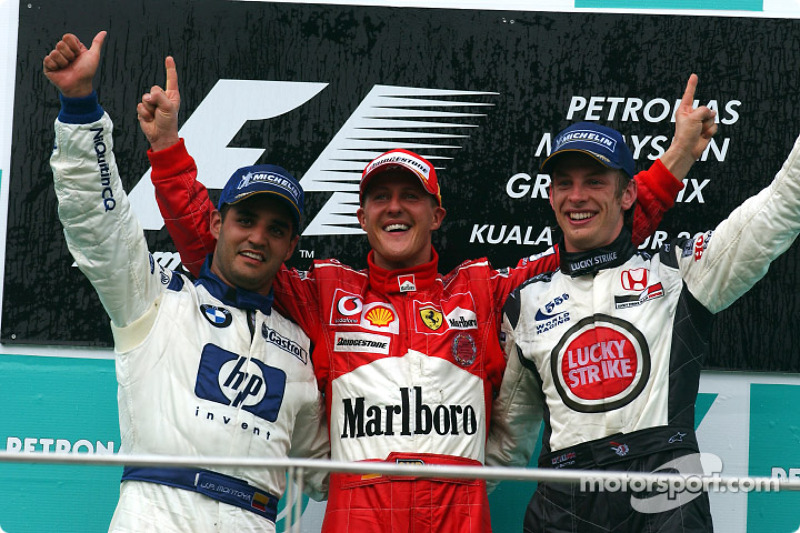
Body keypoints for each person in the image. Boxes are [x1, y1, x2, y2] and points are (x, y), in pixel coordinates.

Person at [137, 54, 716, 531]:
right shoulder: (323, 291)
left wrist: (676, 160)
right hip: (356, 514)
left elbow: (591, 239)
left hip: (457, 517)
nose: (395, 207)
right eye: (381, 197)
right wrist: (167, 153)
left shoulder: (485, 290)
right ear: (360, 216)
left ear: (436, 213)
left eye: (409, 196)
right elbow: (220, 250)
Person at [44, 31, 329, 532]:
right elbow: (97, 223)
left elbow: (328, 464)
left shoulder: (301, 349)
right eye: (245, 221)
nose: (257, 238)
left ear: (290, 247)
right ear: (217, 224)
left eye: (276, 229)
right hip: (155, 514)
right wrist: (79, 106)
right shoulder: (155, 298)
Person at [485, 120, 800, 532]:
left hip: (666, 481)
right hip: (566, 498)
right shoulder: (524, 302)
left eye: (595, 182)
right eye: (564, 184)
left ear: (628, 193)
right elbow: (506, 447)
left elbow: (776, 212)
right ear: (550, 195)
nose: (577, 197)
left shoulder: (677, 273)